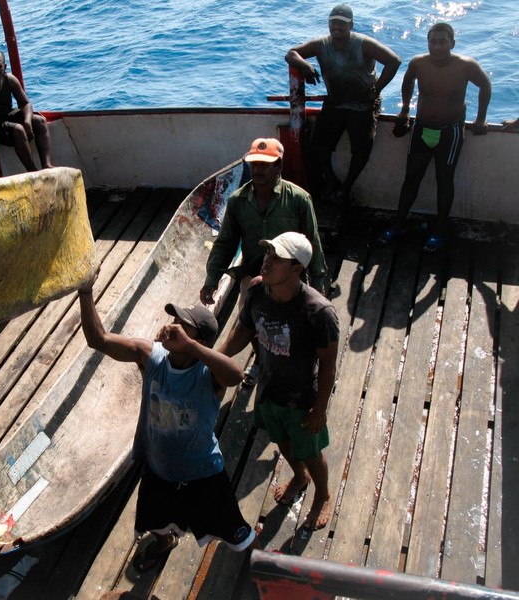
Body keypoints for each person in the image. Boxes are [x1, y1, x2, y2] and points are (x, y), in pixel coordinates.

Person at [78, 271, 256, 573]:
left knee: (234, 533)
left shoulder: (208, 373)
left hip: (202, 471)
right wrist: (85, 292)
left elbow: (236, 375)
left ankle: (253, 565)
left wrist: (191, 348)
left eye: (182, 324)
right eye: (173, 319)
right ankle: (165, 544)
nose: (172, 325)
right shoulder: (150, 356)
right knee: (154, 521)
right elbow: (99, 339)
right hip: (159, 466)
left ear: (196, 338)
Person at [216, 232, 339, 531]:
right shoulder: (257, 291)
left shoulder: (318, 312)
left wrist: (319, 409)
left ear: (297, 270)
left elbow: (327, 365)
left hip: (302, 399)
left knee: (309, 451)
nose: (266, 263)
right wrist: (210, 357)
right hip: (268, 389)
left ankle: (322, 494)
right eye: (267, 255)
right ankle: (299, 476)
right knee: (281, 440)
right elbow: (244, 331)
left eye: (276, 259)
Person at [377, 22, 491, 253]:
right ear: (427, 42)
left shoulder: (466, 66)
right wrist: (405, 109)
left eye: (442, 41)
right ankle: (398, 224)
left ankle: (440, 230)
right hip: (422, 129)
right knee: (411, 179)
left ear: (452, 43)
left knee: (444, 181)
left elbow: (485, 85)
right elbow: (407, 81)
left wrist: (481, 118)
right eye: (433, 41)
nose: (437, 46)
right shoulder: (418, 63)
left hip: (451, 131)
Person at [285, 4, 401, 205]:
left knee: (362, 148)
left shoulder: (364, 43)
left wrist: (377, 89)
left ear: (351, 25)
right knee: (318, 146)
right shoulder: (321, 44)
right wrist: (306, 66)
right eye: (333, 23)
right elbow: (291, 53)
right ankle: (332, 180)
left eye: (342, 23)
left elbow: (394, 61)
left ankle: (346, 187)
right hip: (336, 102)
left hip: (363, 104)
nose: (337, 27)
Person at [200, 137, 328, 311]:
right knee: (247, 316)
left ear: (279, 166)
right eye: (254, 165)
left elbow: (312, 241)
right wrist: (211, 280)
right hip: (254, 272)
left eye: (264, 165)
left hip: (289, 275)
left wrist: (318, 282)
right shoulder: (237, 201)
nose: (257, 170)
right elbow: (225, 243)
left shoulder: (299, 199)